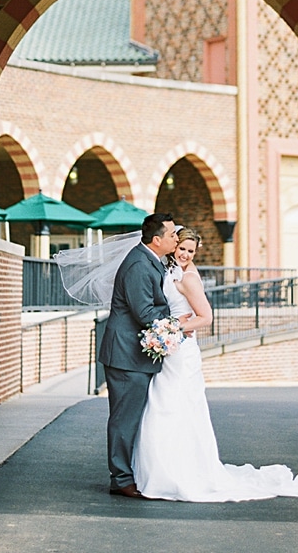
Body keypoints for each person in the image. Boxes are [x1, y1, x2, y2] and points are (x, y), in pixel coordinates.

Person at [131, 226, 298, 501]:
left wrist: (171, 330)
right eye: (182, 248)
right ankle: (160, 470)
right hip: (172, 350)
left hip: (181, 352)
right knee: (163, 404)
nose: (185, 254)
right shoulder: (168, 270)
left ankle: (182, 472)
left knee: (174, 406)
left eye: (190, 251)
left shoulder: (189, 278)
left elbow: (206, 317)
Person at [96, 212, 184, 498]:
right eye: (172, 234)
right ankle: (121, 479)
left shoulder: (151, 260)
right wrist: (177, 320)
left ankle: (130, 472)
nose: (176, 238)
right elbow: (144, 312)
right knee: (124, 418)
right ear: (157, 240)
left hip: (135, 355)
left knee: (133, 416)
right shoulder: (137, 265)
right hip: (125, 355)